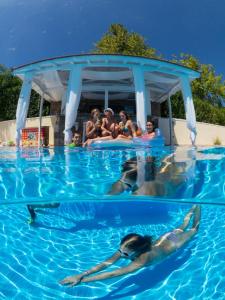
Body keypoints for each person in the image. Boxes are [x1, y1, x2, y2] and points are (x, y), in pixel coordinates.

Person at [60, 205, 201, 287]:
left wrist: (83, 281)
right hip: (163, 239)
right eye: (120, 250)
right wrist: (81, 274)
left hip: (173, 244)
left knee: (194, 229)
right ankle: (189, 212)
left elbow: (114, 273)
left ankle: (197, 205)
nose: (121, 255)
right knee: (180, 227)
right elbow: (106, 264)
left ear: (138, 250)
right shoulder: (126, 249)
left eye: (125, 254)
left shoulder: (143, 259)